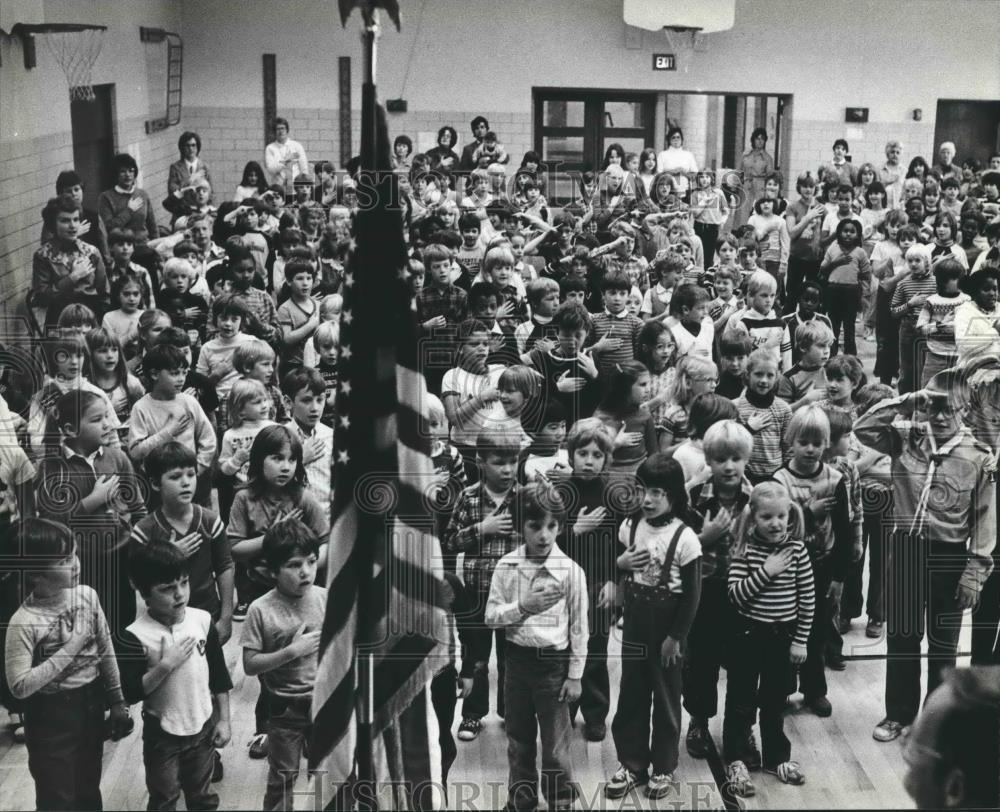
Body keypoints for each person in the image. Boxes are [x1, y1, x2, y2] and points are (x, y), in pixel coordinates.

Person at [855, 370, 996, 743]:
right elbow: (862, 428)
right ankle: (897, 714)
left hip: (950, 556)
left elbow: (985, 521)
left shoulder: (979, 458)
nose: (939, 415)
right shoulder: (906, 438)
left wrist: (974, 573)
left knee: (943, 644)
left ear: (965, 410)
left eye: (948, 408)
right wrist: (906, 402)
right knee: (902, 637)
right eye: (933, 406)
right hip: (906, 548)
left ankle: (935, 723)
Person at [3, 518, 131, 811]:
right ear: (35, 574)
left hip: (90, 704)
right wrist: (71, 647)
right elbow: (19, 686)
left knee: (88, 790)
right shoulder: (23, 621)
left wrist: (118, 699)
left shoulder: (87, 596)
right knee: (57, 798)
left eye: (73, 553)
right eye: (63, 559)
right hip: (50, 718)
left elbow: (105, 648)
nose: (75, 564)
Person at [485, 480, 588, 812]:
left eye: (552, 526)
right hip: (515, 663)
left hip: (553, 667)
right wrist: (524, 606)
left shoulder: (571, 572)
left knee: (557, 745)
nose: (544, 535)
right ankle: (522, 799)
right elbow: (490, 617)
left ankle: (561, 800)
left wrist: (575, 675)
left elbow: (579, 627)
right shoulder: (506, 567)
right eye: (535, 526)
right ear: (520, 525)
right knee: (518, 740)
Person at [605, 455, 702, 800]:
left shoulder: (686, 538)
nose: (647, 499)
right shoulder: (629, 526)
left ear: (674, 495)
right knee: (631, 694)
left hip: (667, 632)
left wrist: (676, 637)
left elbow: (692, 596)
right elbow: (618, 568)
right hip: (634, 627)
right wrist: (615, 578)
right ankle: (632, 764)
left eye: (657, 492)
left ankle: (663, 767)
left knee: (665, 699)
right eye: (642, 490)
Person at [117, 541, 233, 811]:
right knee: (164, 799)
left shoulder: (203, 620)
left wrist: (225, 719)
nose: (179, 594)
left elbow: (219, 675)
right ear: (143, 592)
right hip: (163, 736)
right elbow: (133, 693)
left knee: (202, 796)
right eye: (167, 588)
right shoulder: (134, 635)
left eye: (183, 583)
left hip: (203, 726)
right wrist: (165, 666)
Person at [683, 421, 757, 793]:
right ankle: (698, 718)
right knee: (701, 663)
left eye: (736, 458)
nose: (729, 466)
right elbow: (673, 546)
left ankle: (740, 741)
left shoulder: (758, 495)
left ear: (747, 459)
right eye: (719, 459)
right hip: (704, 590)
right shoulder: (692, 494)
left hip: (745, 594)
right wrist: (704, 537)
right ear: (707, 459)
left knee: (745, 669)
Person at [726, 481, 814, 787]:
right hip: (748, 635)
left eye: (781, 516)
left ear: (790, 515)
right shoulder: (744, 548)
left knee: (775, 700)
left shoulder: (798, 549)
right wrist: (767, 571)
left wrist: (801, 639)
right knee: (740, 699)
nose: (775, 523)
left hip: (782, 636)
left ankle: (777, 758)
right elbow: (735, 594)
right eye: (767, 517)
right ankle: (736, 758)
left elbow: (808, 598)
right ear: (753, 517)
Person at [770, 406, 854, 716]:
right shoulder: (779, 479)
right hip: (787, 568)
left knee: (817, 631)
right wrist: (808, 512)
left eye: (817, 443)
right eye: (803, 441)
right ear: (790, 441)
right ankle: (781, 689)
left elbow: (844, 533)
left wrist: (839, 577)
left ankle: (814, 690)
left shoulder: (835, 479)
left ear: (827, 444)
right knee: (786, 630)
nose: (810, 449)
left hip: (821, 566)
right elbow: (773, 528)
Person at [242, 518, 326, 811]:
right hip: (283, 710)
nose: (306, 571)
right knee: (283, 777)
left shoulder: (325, 598)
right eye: (294, 565)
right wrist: (292, 651)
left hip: (324, 704)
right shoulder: (260, 609)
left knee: (327, 774)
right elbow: (250, 665)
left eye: (312, 561)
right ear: (272, 570)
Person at [444, 432, 521, 743]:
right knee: (475, 655)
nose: (506, 469)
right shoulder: (469, 497)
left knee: (510, 657)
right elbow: (449, 540)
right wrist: (480, 529)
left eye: (512, 461)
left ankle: (510, 711)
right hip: (478, 593)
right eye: (498, 462)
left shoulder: (525, 497)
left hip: (514, 595)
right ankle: (473, 715)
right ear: (480, 462)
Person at [129, 343, 217, 505]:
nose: (181, 379)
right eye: (175, 373)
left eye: (184, 373)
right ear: (154, 374)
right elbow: (135, 452)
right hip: (158, 487)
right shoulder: (141, 408)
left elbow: (208, 439)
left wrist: (198, 470)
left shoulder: (189, 402)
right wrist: (168, 432)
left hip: (190, 482)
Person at [33, 197, 109, 329]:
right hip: (58, 320)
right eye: (65, 220)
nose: (73, 225)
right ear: (53, 224)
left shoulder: (91, 252)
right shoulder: (43, 256)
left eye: (76, 219)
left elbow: (104, 294)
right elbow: (42, 298)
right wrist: (72, 278)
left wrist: (102, 326)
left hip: (89, 319)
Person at [592, 360, 658, 474]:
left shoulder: (644, 415)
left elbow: (653, 454)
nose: (648, 389)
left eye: (648, 383)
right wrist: (616, 444)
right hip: (609, 477)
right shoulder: (601, 418)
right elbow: (593, 455)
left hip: (639, 476)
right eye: (643, 385)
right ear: (624, 388)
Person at [820, 218, 871, 357]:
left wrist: (864, 291)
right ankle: (831, 354)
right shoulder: (833, 248)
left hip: (851, 291)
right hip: (833, 290)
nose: (848, 234)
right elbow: (823, 269)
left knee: (849, 325)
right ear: (839, 233)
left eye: (852, 232)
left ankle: (850, 356)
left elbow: (867, 273)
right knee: (833, 324)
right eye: (845, 231)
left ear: (857, 234)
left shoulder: (860, 252)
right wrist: (837, 262)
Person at [98, 152, 158, 245]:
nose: (128, 175)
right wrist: (129, 211)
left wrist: (157, 246)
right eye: (123, 171)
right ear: (116, 174)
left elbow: (152, 225)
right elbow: (108, 227)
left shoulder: (142, 194)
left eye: (131, 171)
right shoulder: (106, 197)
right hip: (121, 249)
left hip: (144, 246)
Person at [736, 128, 775, 228]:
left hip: (759, 188)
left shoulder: (767, 158)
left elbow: (770, 177)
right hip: (746, 186)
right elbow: (739, 171)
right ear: (753, 140)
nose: (760, 141)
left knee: (757, 213)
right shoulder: (746, 155)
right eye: (757, 138)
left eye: (762, 139)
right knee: (742, 215)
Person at [264, 118, 309, 190]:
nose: (280, 131)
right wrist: (285, 161)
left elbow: (304, 169)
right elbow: (271, 170)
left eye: (283, 128)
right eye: (277, 129)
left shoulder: (297, 146)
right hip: (278, 188)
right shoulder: (270, 148)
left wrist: (304, 188)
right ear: (274, 132)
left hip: (295, 188)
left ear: (287, 130)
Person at [656, 128, 699, 201]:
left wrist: (683, 172)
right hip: (667, 191)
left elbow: (694, 174)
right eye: (673, 137)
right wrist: (672, 172)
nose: (676, 139)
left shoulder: (688, 155)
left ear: (682, 139)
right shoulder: (662, 155)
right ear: (669, 140)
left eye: (678, 137)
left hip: (685, 192)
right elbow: (658, 174)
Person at [168, 131, 212, 197]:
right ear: (182, 148)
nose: (191, 149)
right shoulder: (175, 168)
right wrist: (189, 181)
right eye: (187, 146)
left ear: (198, 147)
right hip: (183, 205)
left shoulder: (204, 167)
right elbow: (173, 191)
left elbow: (211, 192)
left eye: (193, 145)